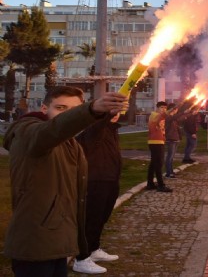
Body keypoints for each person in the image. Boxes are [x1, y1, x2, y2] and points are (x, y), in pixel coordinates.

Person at [2, 86, 127, 276]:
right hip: (35, 243)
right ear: (45, 109)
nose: (66, 115)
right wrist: (92, 109)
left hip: (59, 242)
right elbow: (48, 133)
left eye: (73, 110)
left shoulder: (70, 143)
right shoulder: (26, 130)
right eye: (60, 108)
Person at [73, 112, 123, 274]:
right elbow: (100, 123)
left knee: (102, 217)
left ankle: (94, 249)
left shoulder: (111, 130)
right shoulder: (93, 129)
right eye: (112, 114)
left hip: (110, 179)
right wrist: (109, 112)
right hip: (96, 180)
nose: (117, 116)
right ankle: (81, 258)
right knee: (91, 218)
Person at [147, 101, 173, 193]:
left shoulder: (161, 117)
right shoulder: (154, 115)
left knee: (154, 164)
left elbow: (161, 127)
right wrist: (170, 110)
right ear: (157, 107)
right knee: (159, 164)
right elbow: (161, 116)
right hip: (155, 142)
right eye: (162, 107)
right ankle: (161, 185)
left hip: (159, 141)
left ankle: (150, 184)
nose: (164, 109)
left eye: (165, 108)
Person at [164, 102, 187, 179]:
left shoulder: (173, 118)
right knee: (169, 157)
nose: (177, 110)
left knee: (172, 157)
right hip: (170, 139)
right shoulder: (167, 117)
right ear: (172, 109)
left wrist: (188, 113)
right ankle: (168, 173)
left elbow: (179, 118)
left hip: (175, 139)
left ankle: (171, 171)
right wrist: (183, 112)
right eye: (176, 109)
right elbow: (175, 117)